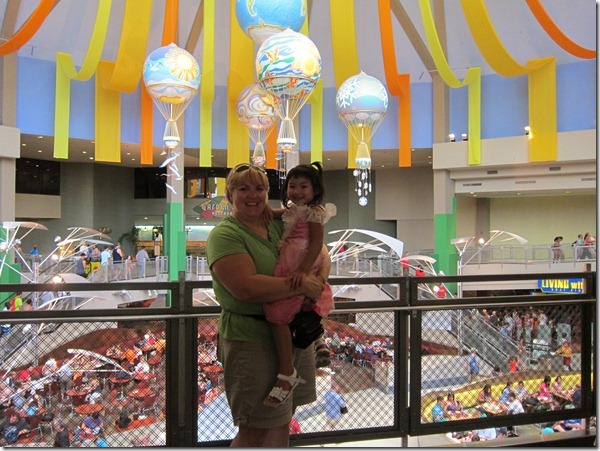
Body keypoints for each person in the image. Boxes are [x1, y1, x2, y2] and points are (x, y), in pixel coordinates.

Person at [206, 163, 328, 447]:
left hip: (294, 334)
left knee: (283, 420)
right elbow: (246, 288)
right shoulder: (225, 235)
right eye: (243, 188)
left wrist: (318, 279)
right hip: (252, 339)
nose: (253, 195)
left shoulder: (276, 224)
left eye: (259, 188)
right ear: (230, 194)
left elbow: (319, 249)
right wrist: (303, 285)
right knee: (256, 429)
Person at [263, 163, 336, 406]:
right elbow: (276, 213)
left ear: (315, 190)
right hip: (291, 260)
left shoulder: (314, 212)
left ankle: (287, 371)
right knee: (287, 309)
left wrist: (303, 270)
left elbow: (315, 244)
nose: (297, 191)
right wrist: (262, 211)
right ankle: (313, 344)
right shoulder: (294, 210)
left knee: (278, 313)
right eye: (292, 186)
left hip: (301, 262)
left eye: (303, 186)